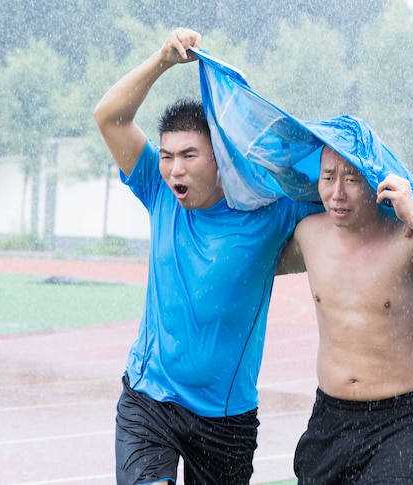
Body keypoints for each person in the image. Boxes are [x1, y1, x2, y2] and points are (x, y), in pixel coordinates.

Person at [92, 28, 321, 485]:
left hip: (225, 416)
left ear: (220, 157)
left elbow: (336, 197)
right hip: (148, 397)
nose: (175, 168)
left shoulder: (269, 213)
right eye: (167, 155)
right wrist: (162, 60)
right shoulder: (157, 190)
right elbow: (110, 117)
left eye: (189, 155)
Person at [279, 145, 413, 484]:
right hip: (330, 417)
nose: (337, 193)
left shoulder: (409, 237)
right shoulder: (309, 234)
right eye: (328, 178)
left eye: (351, 179)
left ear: (375, 182)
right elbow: (250, 261)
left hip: (398, 419)